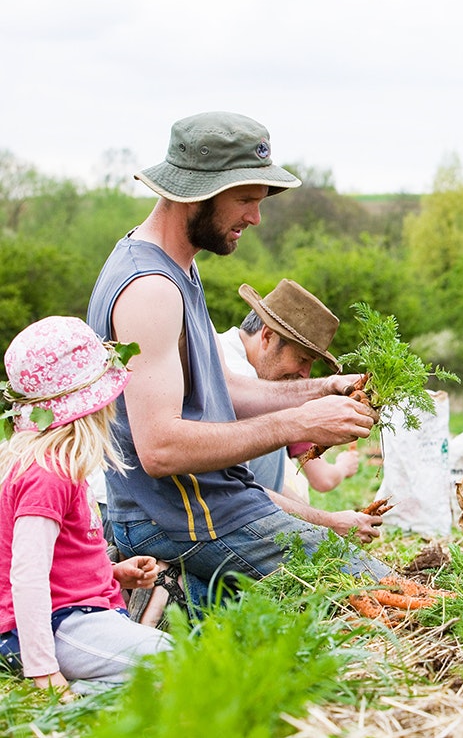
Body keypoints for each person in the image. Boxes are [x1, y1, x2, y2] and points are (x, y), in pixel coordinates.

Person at [86, 111, 392, 605]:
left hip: (214, 506)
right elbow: (159, 448)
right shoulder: (150, 289)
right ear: (198, 192)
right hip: (181, 518)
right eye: (246, 199)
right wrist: (299, 423)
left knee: (339, 594)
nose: (255, 217)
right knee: (381, 591)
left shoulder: (178, 269)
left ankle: (187, 603)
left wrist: (323, 389)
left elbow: (225, 389)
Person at [0, 317, 171, 694]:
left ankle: (87, 695)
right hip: (56, 625)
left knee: (160, 668)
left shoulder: (62, 470)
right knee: (169, 657)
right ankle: (56, 694)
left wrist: (112, 574)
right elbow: (27, 576)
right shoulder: (47, 477)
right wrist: (43, 670)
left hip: (74, 617)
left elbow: (60, 564)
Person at [218, 279, 378, 542]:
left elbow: (262, 481)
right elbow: (233, 490)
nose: (305, 374)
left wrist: (321, 523)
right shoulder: (235, 372)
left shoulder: (250, 371)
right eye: (302, 359)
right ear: (268, 336)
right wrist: (329, 524)